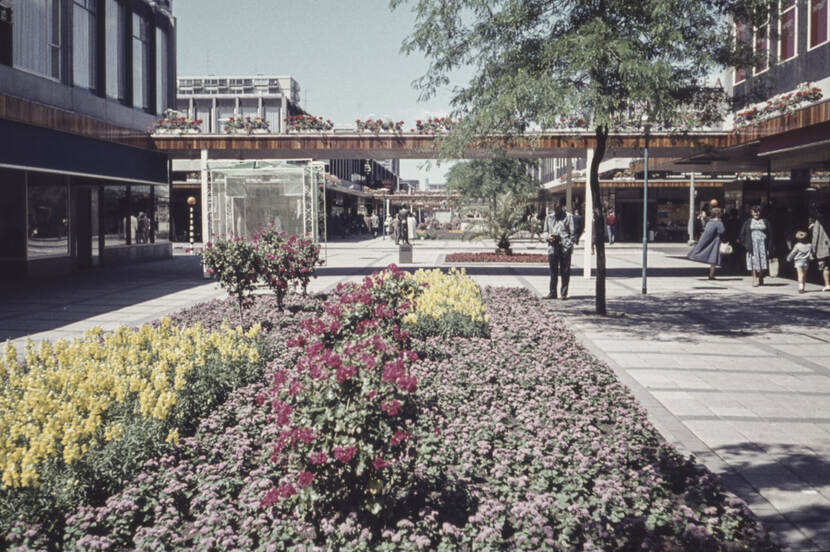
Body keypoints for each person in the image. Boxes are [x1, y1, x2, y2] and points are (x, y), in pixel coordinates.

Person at [542, 200, 575, 300]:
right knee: (553, 271)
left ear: (562, 207)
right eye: (554, 208)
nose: (556, 210)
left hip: (564, 248)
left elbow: (572, 233)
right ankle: (552, 292)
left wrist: (568, 244)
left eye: (558, 208)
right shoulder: (549, 217)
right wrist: (548, 237)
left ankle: (563, 293)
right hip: (553, 248)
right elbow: (544, 231)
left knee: (565, 271)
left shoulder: (568, 217)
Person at [738, 205, 773, 287]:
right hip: (752, 245)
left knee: (763, 263)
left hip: (763, 245)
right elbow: (742, 234)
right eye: (754, 211)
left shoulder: (766, 221)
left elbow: (771, 235)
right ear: (751, 213)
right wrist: (746, 244)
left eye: (758, 211)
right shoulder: (748, 222)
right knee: (753, 263)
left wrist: (770, 246)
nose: (756, 213)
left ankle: (761, 277)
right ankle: (754, 279)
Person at [687, 206, 725, 280]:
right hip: (715, 243)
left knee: (712, 258)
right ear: (718, 214)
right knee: (713, 259)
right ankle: (711, 274)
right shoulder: (719, 223)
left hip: (710, 242)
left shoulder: (709, 222)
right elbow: (722, 231)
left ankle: (711, 274)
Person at [809, 205, 830, 291]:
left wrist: (813, 249)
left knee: (825, 267)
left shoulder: (818, 222)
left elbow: (815, 237)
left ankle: (827, 284)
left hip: (823, 248)